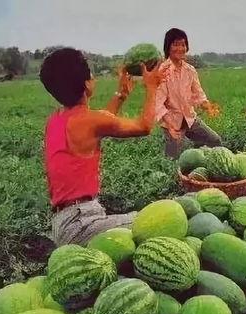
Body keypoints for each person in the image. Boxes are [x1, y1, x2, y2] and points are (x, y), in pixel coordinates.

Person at [39, 47, 166, 246]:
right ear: (86, 84)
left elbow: (100, 124)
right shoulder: (89, 121)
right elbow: (144, 127)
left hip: (64, 223)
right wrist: (152, 87)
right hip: (82, 224)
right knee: (160, 219)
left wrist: (121, 95)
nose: (94, 77)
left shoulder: (55, 120)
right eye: (91, 73)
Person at [155, 27, 221, 158]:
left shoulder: (190, 70)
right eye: (176, 44)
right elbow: (158, 104)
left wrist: (209, 107)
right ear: (168, 47)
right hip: (172, 122)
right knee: (173, 159)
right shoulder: (162, 72)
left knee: (215, 141)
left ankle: (204, 163)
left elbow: (199, 94)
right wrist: (170, 127)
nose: (180, 48)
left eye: (183, 44)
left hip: (190, 118)